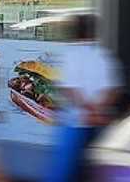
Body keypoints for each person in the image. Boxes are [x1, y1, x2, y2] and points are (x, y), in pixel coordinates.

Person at [46, 13, 123, 182]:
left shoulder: (70, 55)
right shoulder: (104, 56)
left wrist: (87, 110)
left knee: (63, 172)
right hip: (99, 122)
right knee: (96, 171)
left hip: (75, 122)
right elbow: (113, 90)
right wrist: (98, 110)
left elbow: (70, 90)